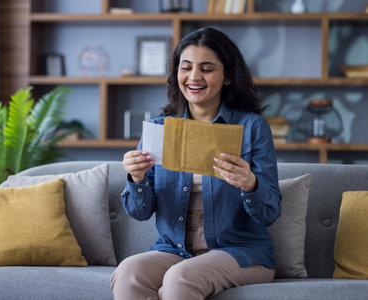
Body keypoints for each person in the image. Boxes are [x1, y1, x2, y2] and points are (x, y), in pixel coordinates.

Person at [111, 27, 282, 300]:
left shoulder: (252, 127)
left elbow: (270, 212)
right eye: (186, 67)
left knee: (180, 279)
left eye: (206, 68)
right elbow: (139, 212)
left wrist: (250, 184)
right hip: (174, 250)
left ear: (227, 76)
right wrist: (137, 179)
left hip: (239, 251)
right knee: (129, 273)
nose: (194, 77)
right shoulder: (160, 129)